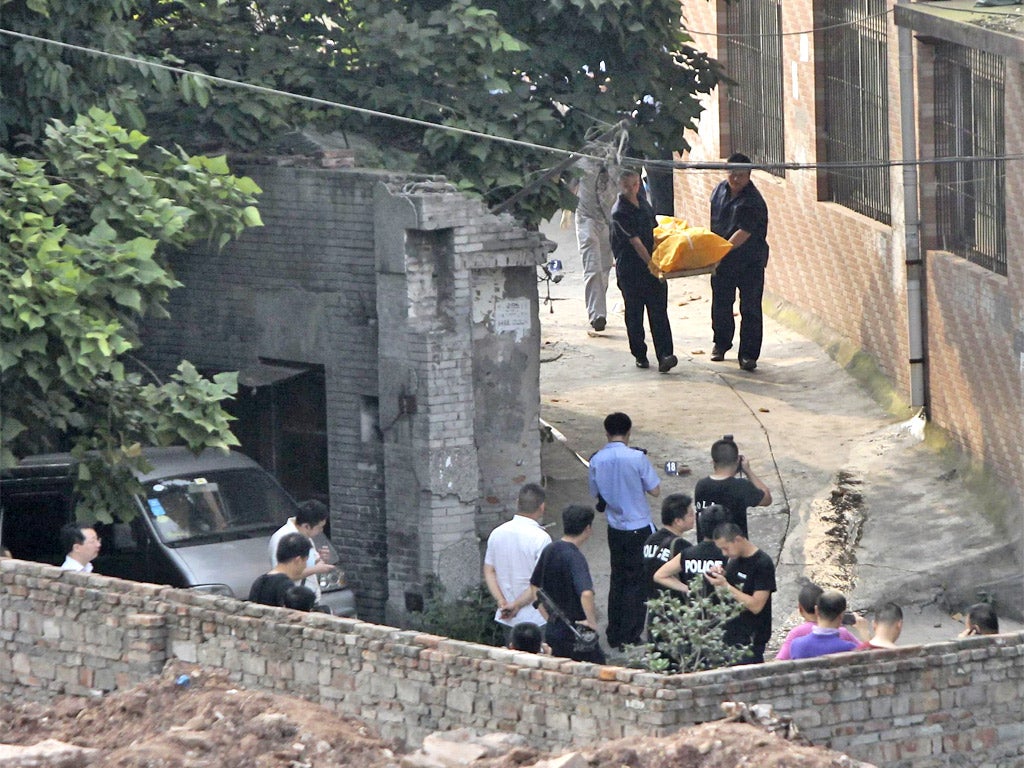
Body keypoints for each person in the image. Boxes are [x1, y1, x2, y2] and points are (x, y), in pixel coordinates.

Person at [588, 412, 661, 649]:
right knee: (638, 582)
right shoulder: (637, 458)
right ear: (629, 432)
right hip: (639, 528)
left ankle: (614, 631)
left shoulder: (597, 460)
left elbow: (595, 492)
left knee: (618, 579)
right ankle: (631, 634)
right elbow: (655, 490)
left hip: (615, 528)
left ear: (606, 432)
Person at [610, 168, 677, 373]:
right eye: (627, 186)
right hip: (631, 270)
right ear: (620, 186)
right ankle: (640, 354)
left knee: (659, 312)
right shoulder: (619, 212)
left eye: (635, 184)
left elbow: (654, 232)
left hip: (652, 268)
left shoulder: (644, 204)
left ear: (639, 183)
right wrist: (652, 264)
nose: (632, 189)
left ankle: (665, 354)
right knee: (634, 313)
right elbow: (636, 242)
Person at [709, 152, 770, 371]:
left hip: (749, 263)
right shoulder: (719, 191)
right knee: (721, 304)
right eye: (732, 174)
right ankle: (721, 344)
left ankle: (748, 355)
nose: (736, 179)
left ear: (749, 176)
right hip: (723, 262)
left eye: (741, 176)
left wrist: (719, 252)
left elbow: (742, 233)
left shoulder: (753, 201)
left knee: (750, 307)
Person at [527, 505, 605, 664]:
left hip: (554, 628)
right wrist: (591, 622)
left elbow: (534, 586)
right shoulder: (575, 557)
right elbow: (586, 593)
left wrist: (547, 616)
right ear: (587, 528)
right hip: (576, 634)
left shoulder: (550, 549)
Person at [483, 483, 552, 638]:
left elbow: (489, 571)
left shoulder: (497, 533)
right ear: (542, 507)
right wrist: (517, 605)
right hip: (536, 617)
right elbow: (539, 583)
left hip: (507, 616)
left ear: (517, 503)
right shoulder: (541, 538)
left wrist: (502, 601)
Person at [706, 523, 777, 664]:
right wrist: (720, 577)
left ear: (738, 539)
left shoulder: (762, 563)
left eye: (726, 548)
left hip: (750, 639)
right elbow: (731, 594)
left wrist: (725, 585)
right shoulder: (734, 561)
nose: (724, 554)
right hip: (730, 636)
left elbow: (756, 605)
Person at [572, 152, 618, 333]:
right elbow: (568, 187)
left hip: (608, 219)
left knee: (605, 266)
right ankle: (597, 315)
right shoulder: (579, 161)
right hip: (586, 219)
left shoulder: (615, 159)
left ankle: (599, 303)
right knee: (593, 266)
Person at [693, 436, 771, 541]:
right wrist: (748, 471)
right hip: (734, 552)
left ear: (713, 462)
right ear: (738, 460)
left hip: (706, 552)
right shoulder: (741, 486)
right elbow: (767, 499)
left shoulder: (701, 485)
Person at [268, 499, 336, 603]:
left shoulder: (305, 536)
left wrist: (320, 560)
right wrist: (317, 569)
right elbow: (284, 575)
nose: (321, 531)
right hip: (294, 603)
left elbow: (311, 564)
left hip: (309, 599)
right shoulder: (282, 539)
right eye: (319, 527)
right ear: (306, 526)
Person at [654, 504, 729, 599]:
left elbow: (660, 575)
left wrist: (688, 589)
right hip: (722, 610)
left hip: (694, 609)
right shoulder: (729, 554)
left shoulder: (688, 553)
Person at [775, 582, 861, 660]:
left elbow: (779, 662)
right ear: (841, 615)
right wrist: (864, 631)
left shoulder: (796, 643)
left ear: (817, 610)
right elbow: (869, 655)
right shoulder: (847, 641)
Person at [642, 493, 695, 599]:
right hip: (674, 604)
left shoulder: (650, 539)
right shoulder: (681, 546)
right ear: (678, 521)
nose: (694, 516)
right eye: (690, 514)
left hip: (653, 601)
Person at [249, 532, 312, 607]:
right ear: (297, 560)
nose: (305, 566)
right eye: (305, 561)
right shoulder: (286, 586)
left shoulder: (259, 582)